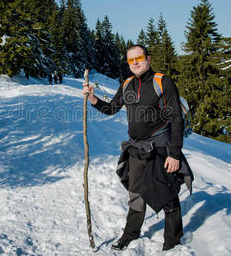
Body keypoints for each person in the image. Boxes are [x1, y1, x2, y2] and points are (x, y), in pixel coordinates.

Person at [82, 44, 193, 251]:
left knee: (167, 194)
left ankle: (173, 241)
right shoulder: (127, 85)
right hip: (136, 148)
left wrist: (175, 154)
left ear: (148, 59)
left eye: (139, 58)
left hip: (161, 147)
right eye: (130, 60)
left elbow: (177, 119)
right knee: (135, 194)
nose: (135, 62)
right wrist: (93, 99)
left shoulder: (163, 82)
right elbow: (111, 108)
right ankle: (130, 234)